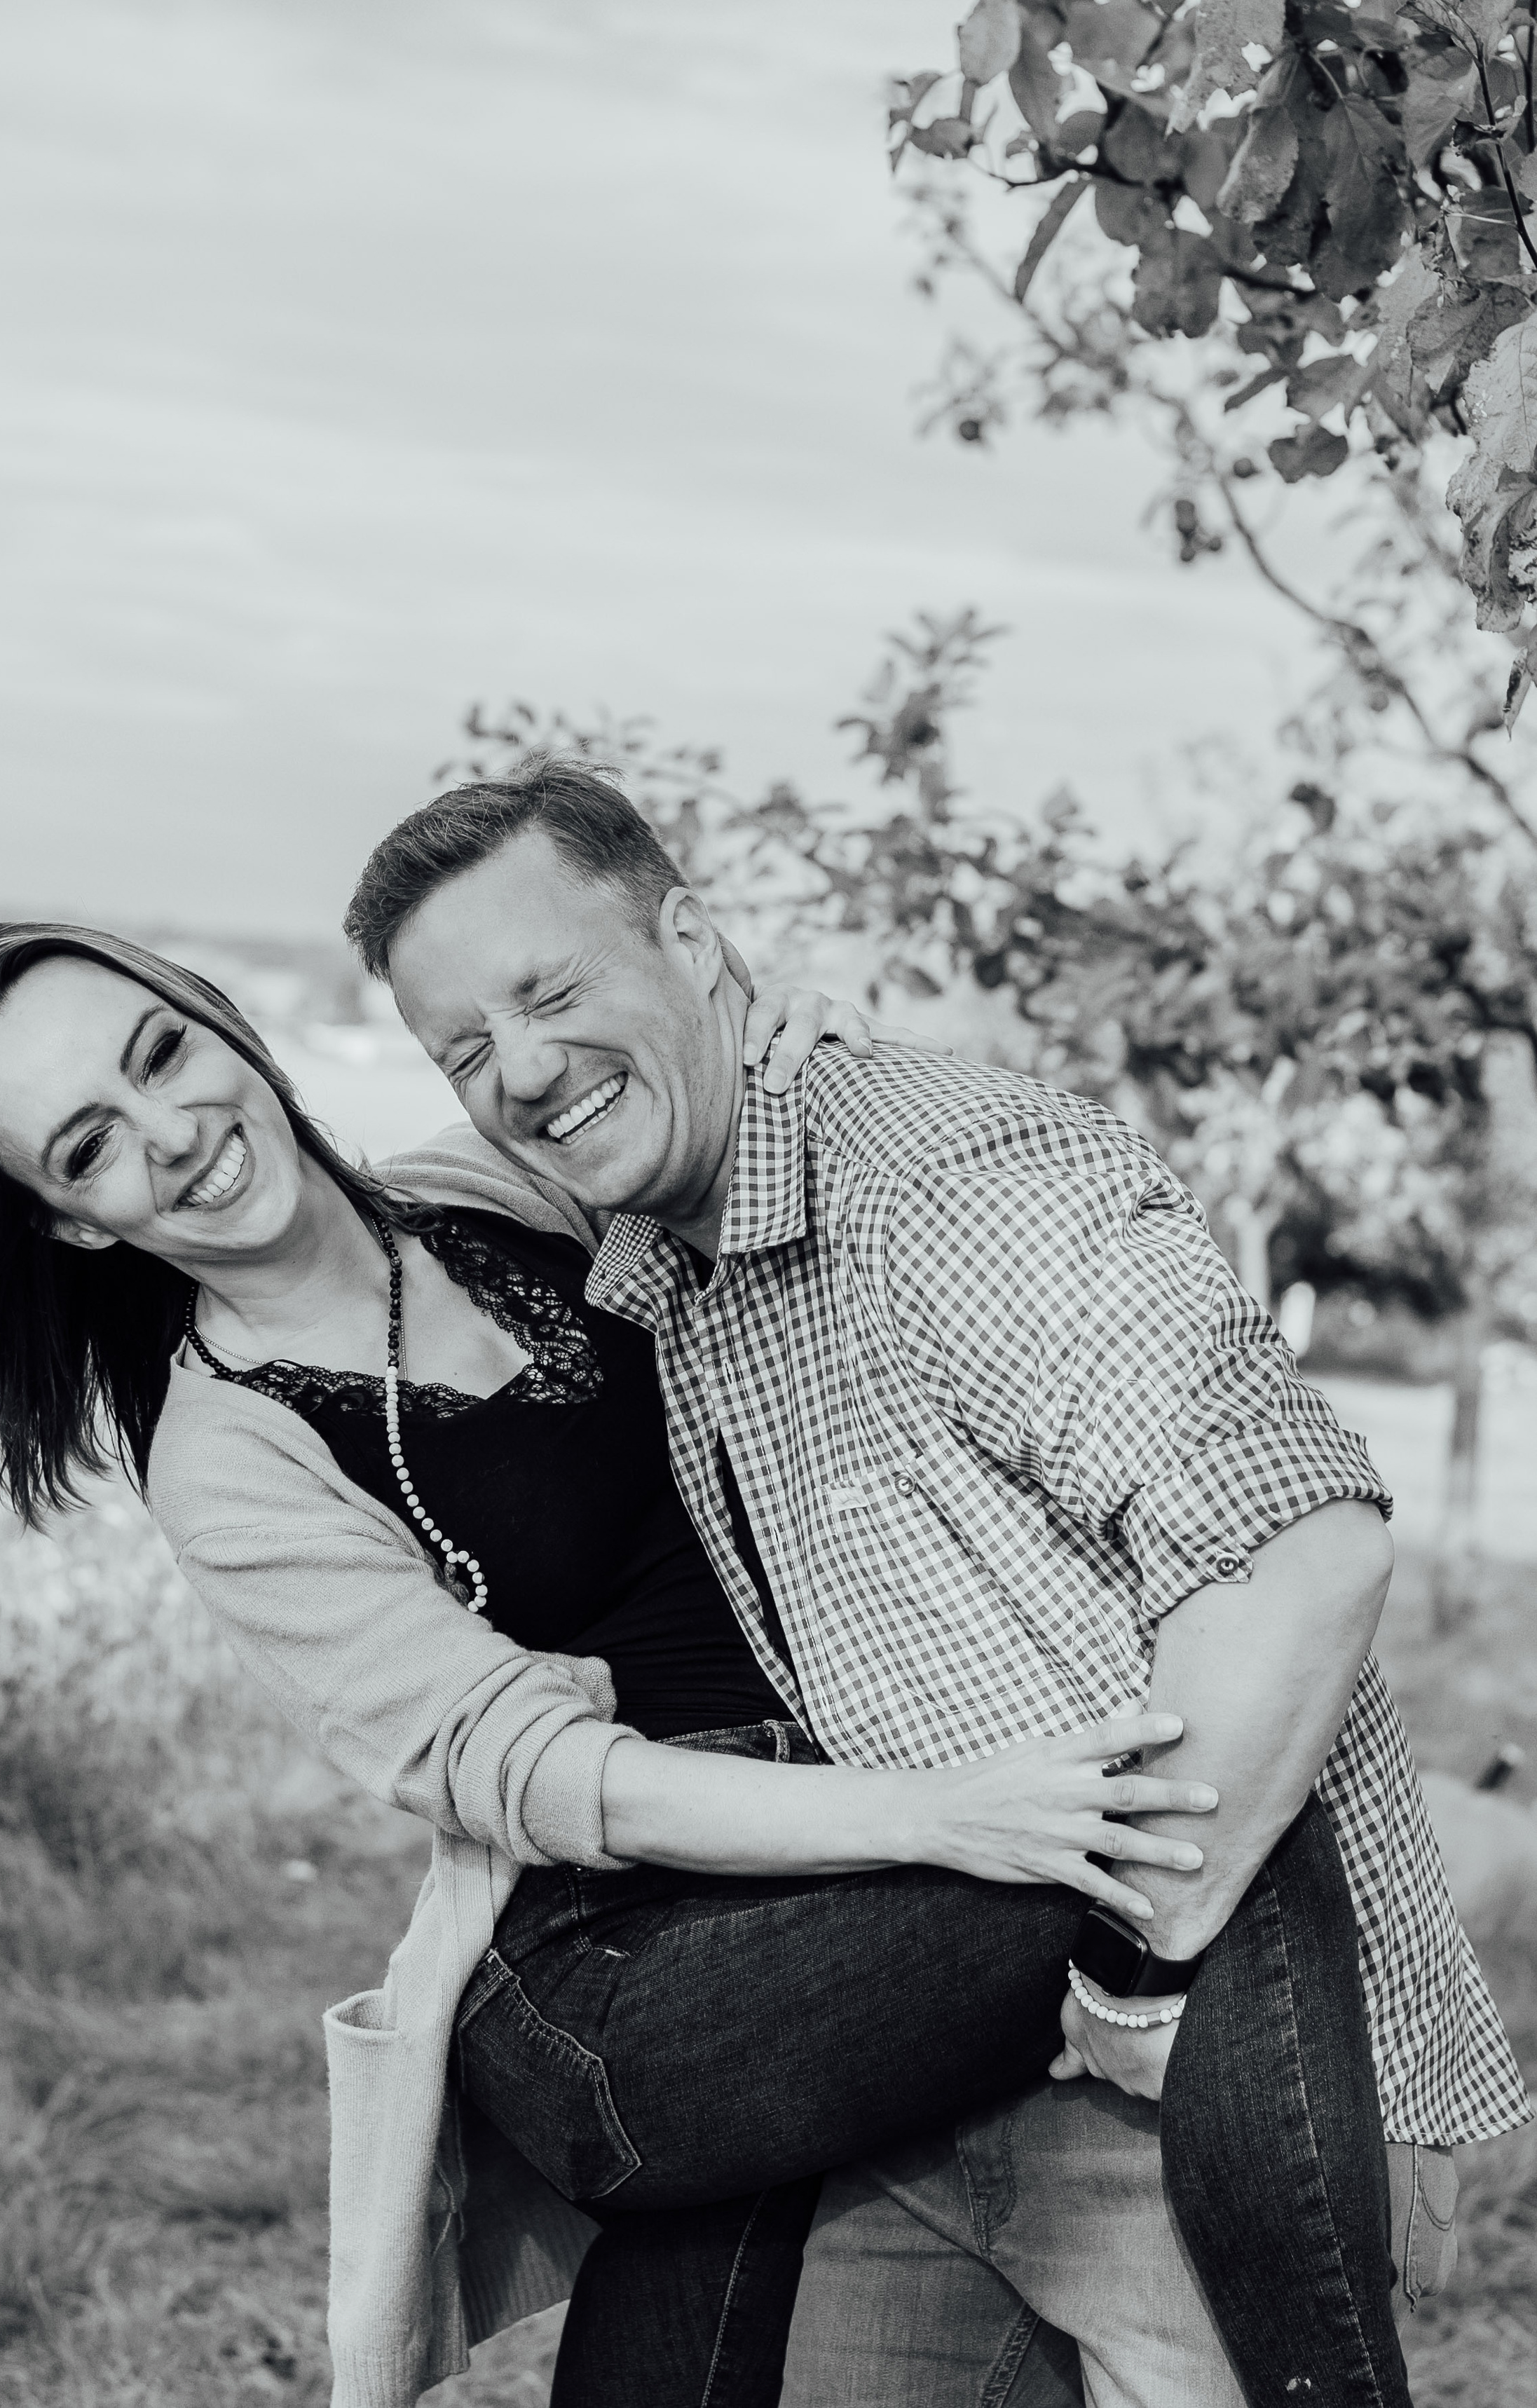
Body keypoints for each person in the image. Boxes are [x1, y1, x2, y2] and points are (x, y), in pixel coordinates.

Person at [0, 906, 1501, 2408]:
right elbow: (547, 1777)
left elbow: (689, 1123)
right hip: (621, 1979)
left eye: (161, 1053)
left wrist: (772, 1037)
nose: (176, 1131)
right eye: (92, 1146)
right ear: (67, 1227)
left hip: (831, 1891)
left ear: (211, 1015)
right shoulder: (229, 1453)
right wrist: (939, 1814)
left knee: (1177, 1788)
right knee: (1166, 1816)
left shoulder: (497, 1194)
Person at [348, 757, 1531, 2406]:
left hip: (1166, 2060)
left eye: (549, 990)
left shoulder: (939, 1184)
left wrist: (1135, 1974)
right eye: (463, 1048)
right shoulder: (676, 1253)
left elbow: (1295, 1549)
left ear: (691, 942)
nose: (523, 1070)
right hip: (927, 2070)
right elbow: (362, 1223)